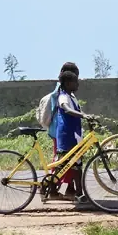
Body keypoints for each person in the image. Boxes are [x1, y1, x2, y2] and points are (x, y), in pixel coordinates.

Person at [52, 70, 96, 203]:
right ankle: (75, 193)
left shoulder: (72, 96)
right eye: (75, 82)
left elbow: (77, 110)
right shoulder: (63, 96)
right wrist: (83, 115)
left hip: (74, 134)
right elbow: (67, 109)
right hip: (67, 135)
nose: (78, 84)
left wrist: (88, 116)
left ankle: (77, 192)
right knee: (66, 165)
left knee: (74, 164)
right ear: (67, 83)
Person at [46, 63, 80, 200]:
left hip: (67, 131)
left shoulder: (67, 92)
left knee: (69, 162)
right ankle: (50, 188)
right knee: (62, 162)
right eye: (75, 77)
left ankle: (70, 189)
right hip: (60, 132)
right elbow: (65, 109)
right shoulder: (60, 93)